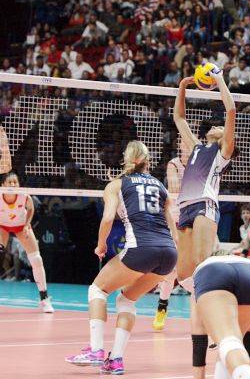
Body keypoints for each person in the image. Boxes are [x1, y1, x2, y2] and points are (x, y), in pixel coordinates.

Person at [65, 141, 177, 374]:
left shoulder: (116, 185)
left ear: (125, 159)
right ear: (147, 161)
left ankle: (96, 350)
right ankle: (115, 360)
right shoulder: (160, 186)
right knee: (127, 300)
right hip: (168, 253)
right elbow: (172, 227)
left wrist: (101, 245)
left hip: (141, 248)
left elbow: (107, 219)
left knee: (98, 289)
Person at [172, 71, 243, 379]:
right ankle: (217, 308)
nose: (214, 127)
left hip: (204, 205)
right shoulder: (197, 147)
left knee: (201, 266)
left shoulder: (222, 151)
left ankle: (218, 328)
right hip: (185, 208)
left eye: (219, 128)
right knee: (184, 274)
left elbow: (231, 110)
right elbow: (179, 118)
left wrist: (219, 80)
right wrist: (182, 87)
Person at [191, 254, 250, 379]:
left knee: (228, 342)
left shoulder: (200, 273)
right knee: (231, 346)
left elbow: (198, 338)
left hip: (214, 274)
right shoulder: (243, 263)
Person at [0, 172, 53, 313]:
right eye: (9, 182)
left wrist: (27, 224)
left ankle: (44, 299)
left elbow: (30, 208)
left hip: (21, 226)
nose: (13, 185)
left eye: (15, 182)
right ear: (3, 185)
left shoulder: (24, 196)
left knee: (36, 259)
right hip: (2, 227)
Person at [153, 139, 191, 331]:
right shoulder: (173, 164)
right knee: (171, 271)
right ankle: (162, 307)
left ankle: (204, 308)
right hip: (174, 222)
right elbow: (175, 187)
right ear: (180, 145)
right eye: (184, 142)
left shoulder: (198, 162)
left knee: (192, 270)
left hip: (193, 220)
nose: (188, 144)